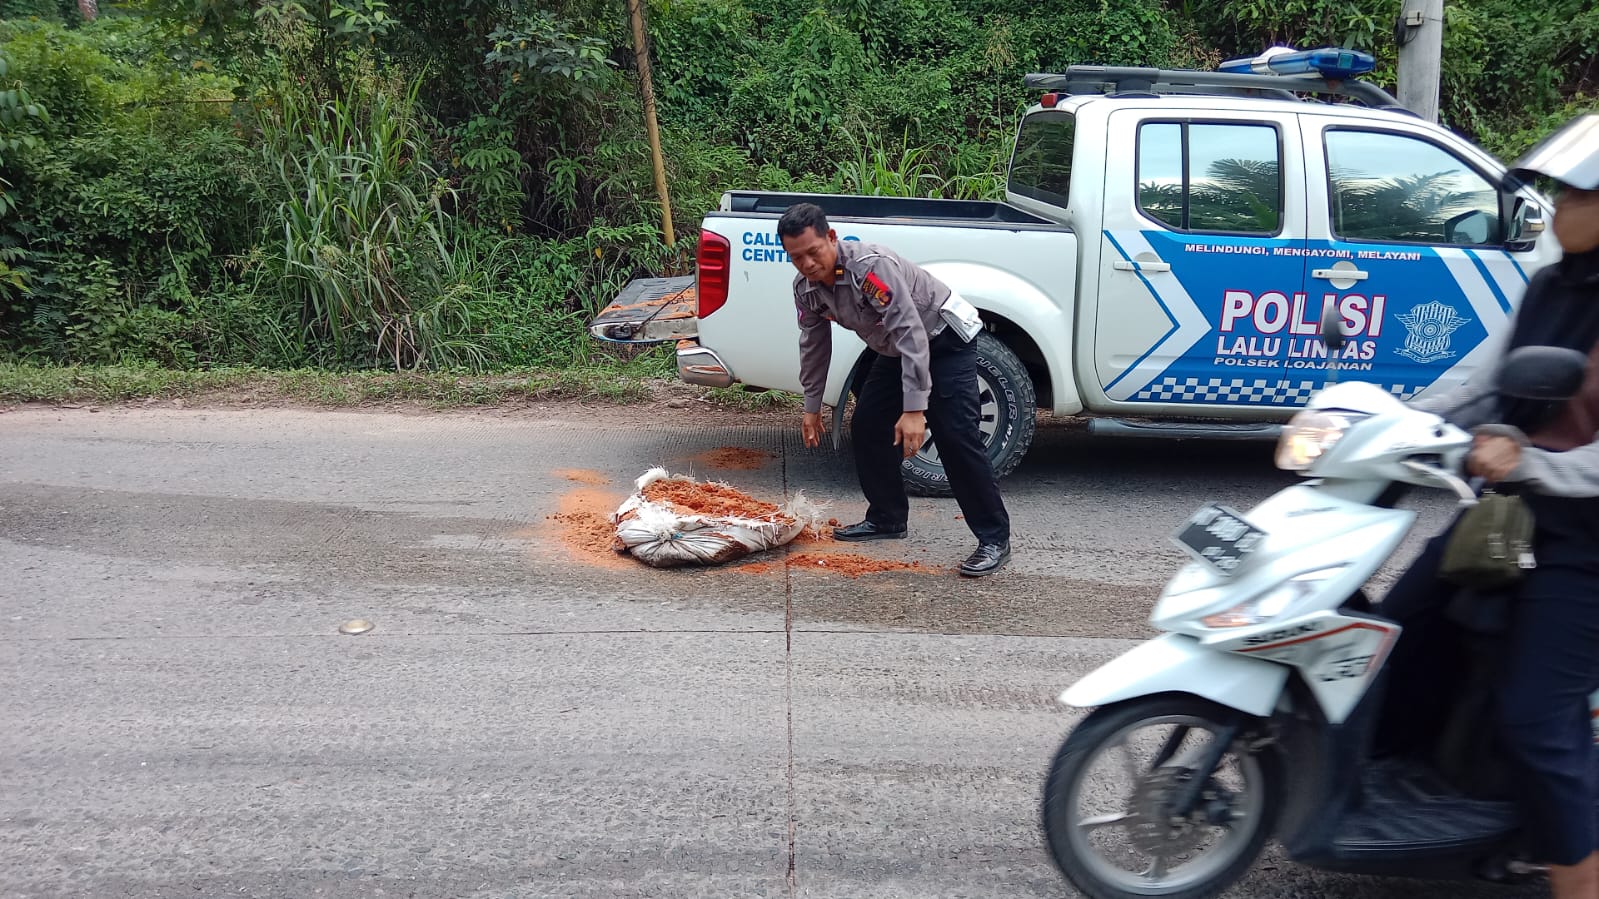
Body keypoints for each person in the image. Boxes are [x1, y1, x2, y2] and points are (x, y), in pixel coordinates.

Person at [1379, 114, 1599, 899]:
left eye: (1578, 195)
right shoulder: (1550, 286)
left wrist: (1530, 458)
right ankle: (1427, 797)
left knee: (1538, 720)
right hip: (1510, 519)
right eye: (1561, 193)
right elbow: (1480, 378)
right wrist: (1386, 421)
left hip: (1584, 542)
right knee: (1395, 632)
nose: (1560, 209)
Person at [777, 202, 1012, 577]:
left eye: (813, 251)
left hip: (943, 339)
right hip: (895, 349)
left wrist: (915, 410)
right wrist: (811, 405)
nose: (806, 264)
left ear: (832, 238)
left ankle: (993, 538)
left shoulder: (870, 269)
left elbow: (911, 331)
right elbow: (814, 341)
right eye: (796, 257)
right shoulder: (805, 289)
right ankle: (887, 518)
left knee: (956, 436)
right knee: (869, 425)